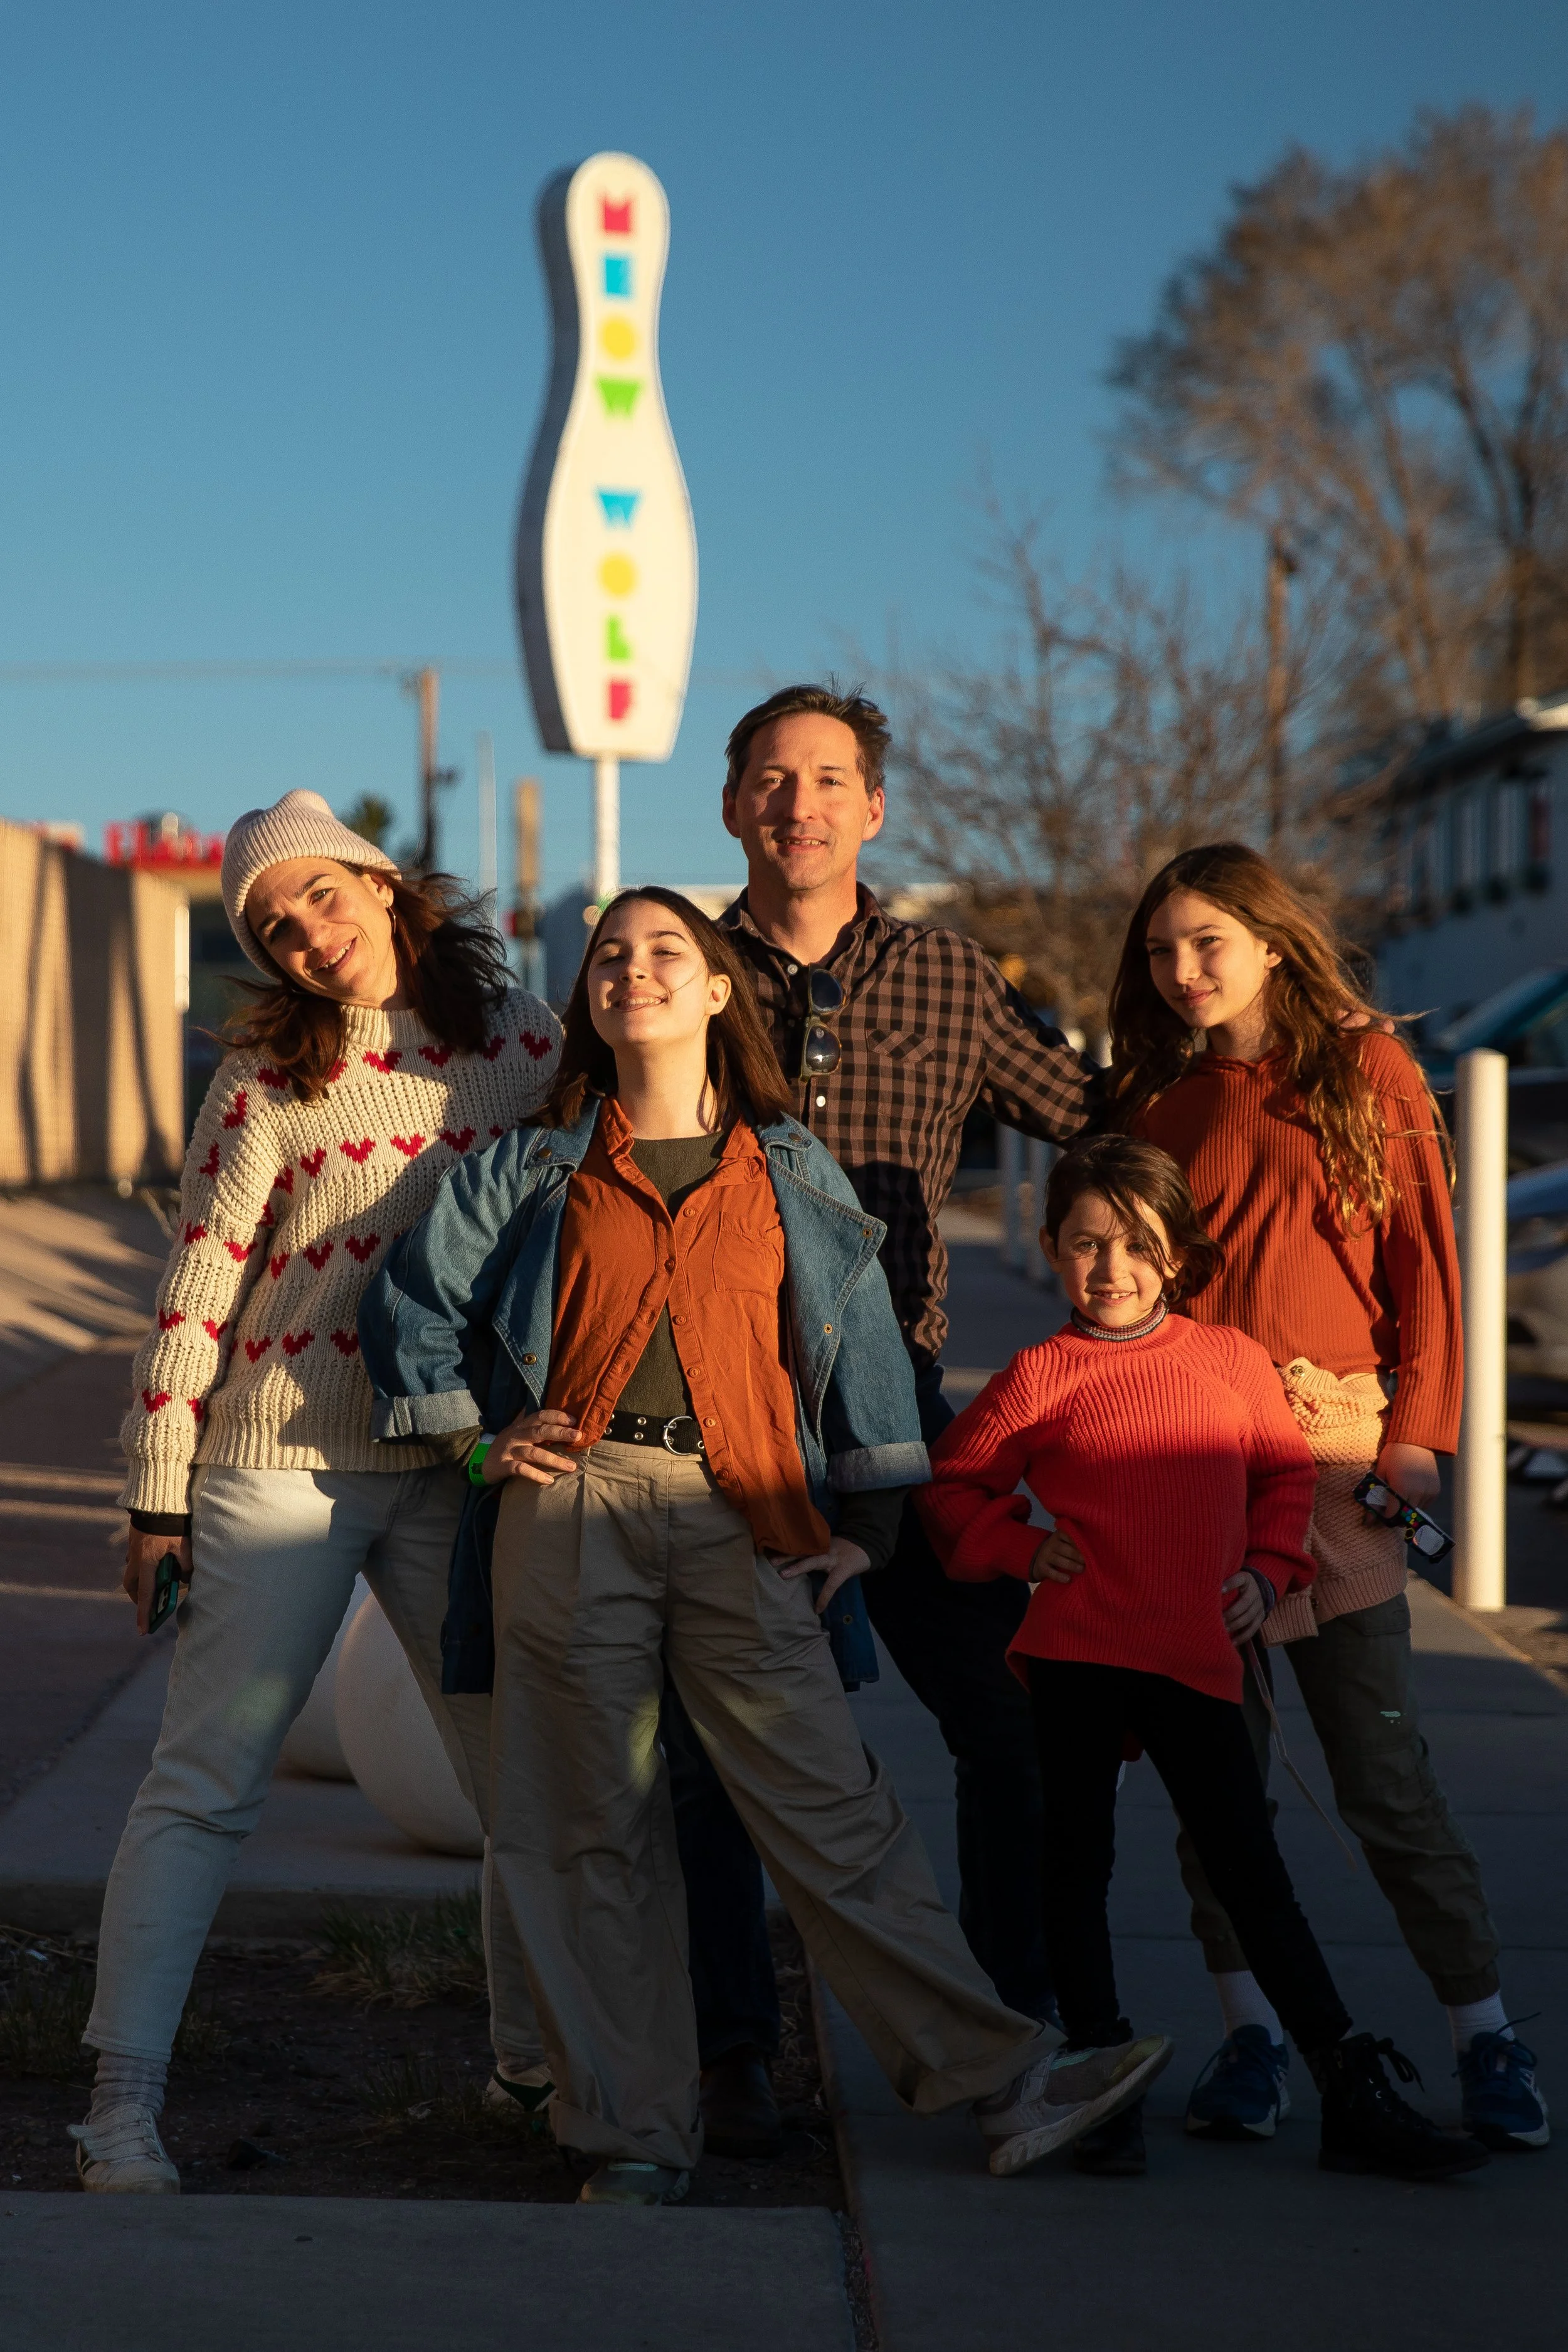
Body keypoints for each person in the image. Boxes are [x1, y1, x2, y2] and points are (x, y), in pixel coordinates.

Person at [358, 889, 1168, 2201]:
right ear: (590, 998)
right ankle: (625, 2134)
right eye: (609, 956)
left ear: (720, 991)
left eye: (663, 951)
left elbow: (860, 1363)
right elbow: (411, 1310)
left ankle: (1002, 2085)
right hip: (572, 1508)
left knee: (833, 1813)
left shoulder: (789, 1166)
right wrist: (470, 1445)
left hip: (747, 1516)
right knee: (584, 1831)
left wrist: (863, 1530)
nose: (633, 970)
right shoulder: (536, 1159)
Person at [72, 790, 561, 2195]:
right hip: (280, 1460)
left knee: (511, 1783)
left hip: (461, 1465)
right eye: (273, 926)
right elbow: (196, 1290)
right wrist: (154, 1499)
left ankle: (533, 2073)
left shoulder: (521, 1039)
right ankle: (118, 2106)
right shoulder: (265, 1080)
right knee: (205, 1780)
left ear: (382, 883)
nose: (305, 935)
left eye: (320, 898)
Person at [659, 681, 1098, 2158]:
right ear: (731, 805)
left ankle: (1010, 2031)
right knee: (716, 1754)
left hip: (893, 1416)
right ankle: (735, 2058)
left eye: (829, 779)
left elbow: (1095, 1119)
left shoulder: (945, 978)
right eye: (770, 778)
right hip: (714, 1412)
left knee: (998, 1720)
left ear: (873, 810)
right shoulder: (677, 965)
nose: (798, 803)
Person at [921, 1133, 1491, 2183]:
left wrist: (1271, 1570)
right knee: (1073, 1863)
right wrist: (1017, 1543)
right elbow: (953, 1488)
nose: (1110, 1268)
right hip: (1080, 1653)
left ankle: (1344, 2079)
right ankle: (1102, 2075)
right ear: (1051, 1248)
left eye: (1136, 1245)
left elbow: (1281, 1476)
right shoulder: (1040, 1374)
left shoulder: (1229, 1361)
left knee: (1251, 1868)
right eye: (1086, 1244)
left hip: (1197, 1650)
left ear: (1178, 1255)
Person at [1103, 840, 1548, 2156]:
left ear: (1270, 941)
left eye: (1206, 943)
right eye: (1158, 952)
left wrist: (1413, 1447)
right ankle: (1251, 2041)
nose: (1181, 973)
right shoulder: (1154, 1109)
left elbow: (1428, 1267)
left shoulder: (1364, 1071)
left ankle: (1487, 2038)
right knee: (1215, 1794)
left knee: (1382, 1776)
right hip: (1189, 1479)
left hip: (1338, 1469)